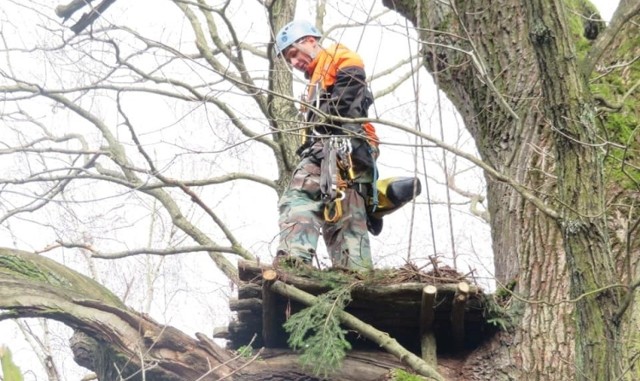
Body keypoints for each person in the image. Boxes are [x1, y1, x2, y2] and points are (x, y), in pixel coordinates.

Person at [273, 20, 379, 272]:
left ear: (310, 40)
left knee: (299, 197)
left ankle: (293, 260)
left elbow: (348, 100)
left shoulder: (338, 58)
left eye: (294, 54)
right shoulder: (316, 80)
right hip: (353, 157)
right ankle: (356, 274)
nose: (294, 63)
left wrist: (324, 128)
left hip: (338, 147)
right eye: (290, 60)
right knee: (344, 215)